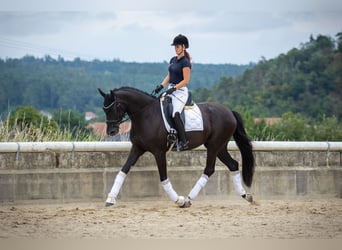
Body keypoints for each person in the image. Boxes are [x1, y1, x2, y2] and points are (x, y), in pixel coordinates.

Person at [154, 34, 192, 151]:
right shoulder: (173, 60)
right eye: (175, 46)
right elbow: (169, 76)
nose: (176, 48)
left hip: (180, 92)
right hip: (171, 89)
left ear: (184, 47)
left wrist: (175, 88)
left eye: (178, 46)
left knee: (175, 113)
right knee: (159, 107)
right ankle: (169, 134)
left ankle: (183, 141)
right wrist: (161, 86)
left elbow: (186, 80)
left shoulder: (185, 62)